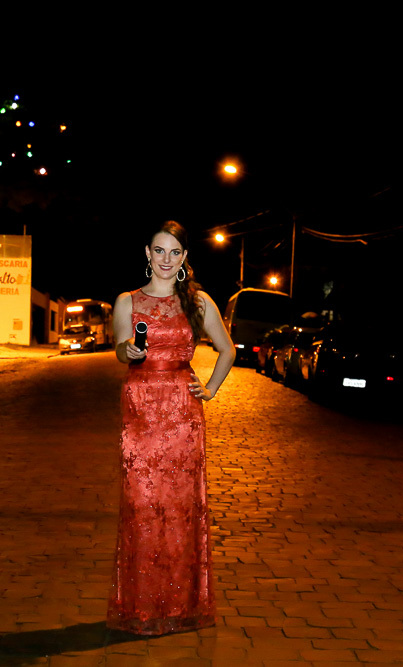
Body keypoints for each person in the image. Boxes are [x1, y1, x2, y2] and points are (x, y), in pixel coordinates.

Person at [107, 220, 236, 635]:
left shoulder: (198, 302)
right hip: (140, 409)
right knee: (142, 505)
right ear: (147, 253)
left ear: (184, 258)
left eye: (174, 252)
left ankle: (182, 605)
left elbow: (227, 349)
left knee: (181, 507)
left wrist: (210, 389)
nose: (166, 259)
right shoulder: (127, 301)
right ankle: (142, 605)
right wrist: (129, 350)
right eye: (159, 250)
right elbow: (120, 350)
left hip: (183, 411)